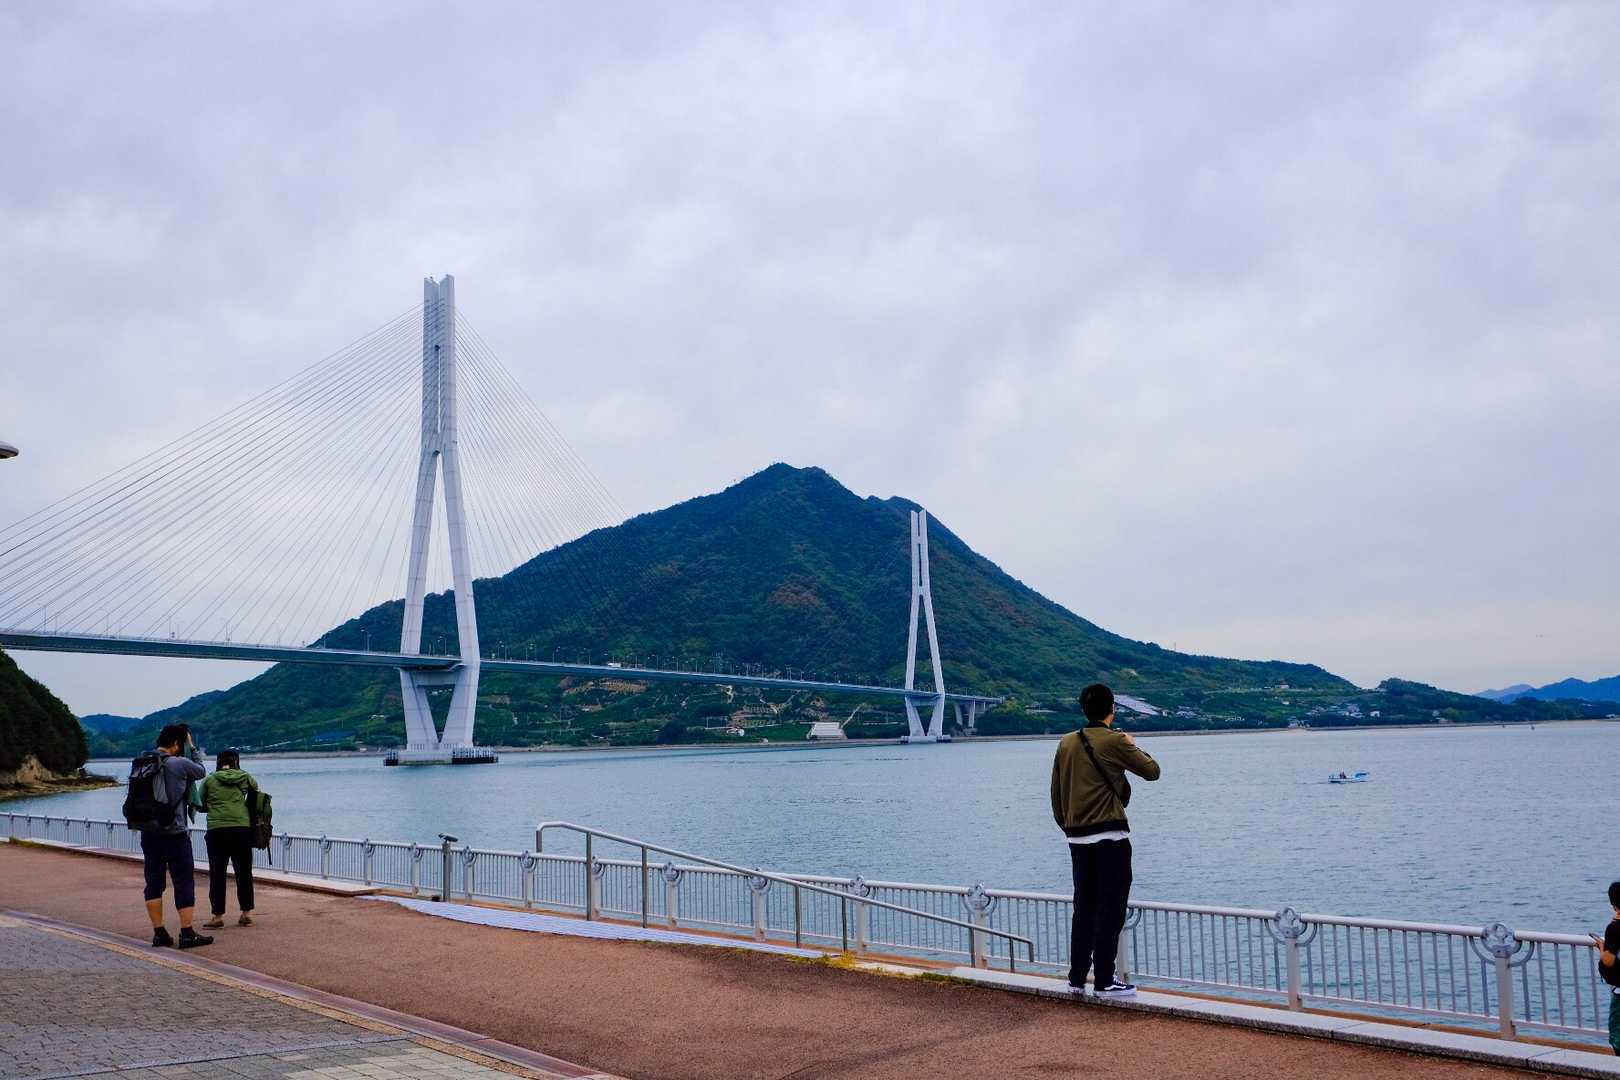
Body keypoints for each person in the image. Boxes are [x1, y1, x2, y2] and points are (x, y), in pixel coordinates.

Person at [1051, 683, 1160, 997]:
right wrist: (1131, 744)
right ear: (1112, 708)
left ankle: (1076, 978)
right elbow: (1152, 771)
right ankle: (1104, 980)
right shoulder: (1115, 740)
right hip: (1110, 837)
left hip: (1077, 839)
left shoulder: (1066, 743)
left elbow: (1056, 793)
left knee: (1084, 909)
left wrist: (1069, 826)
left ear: (1083, 709)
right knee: (1110, 909)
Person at [138, 724, 212, 948]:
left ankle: (159, 933)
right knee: (183, 882)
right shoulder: (178, 763)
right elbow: (201, 771)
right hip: (175, 833)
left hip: (149, 832)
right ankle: (187, 933)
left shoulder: (143, 761)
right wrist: (192, 747)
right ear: (177, 744)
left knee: (153, 882)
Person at [196, 748, 259, 929]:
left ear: (218, 762)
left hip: (217, 830)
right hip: (241, 829)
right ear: (236, 761)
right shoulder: (246, 777)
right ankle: (246, 913)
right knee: (244, 872)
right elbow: (256, 798)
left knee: (217, 873)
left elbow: (199, 803)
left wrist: (212, 807)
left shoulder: (209, 780)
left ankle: (217, 917)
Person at [1595, 880, 1620, 1056]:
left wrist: (1602, 948)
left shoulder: (1614, 928)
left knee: (1617, 1033)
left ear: (1613, 904)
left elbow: (1609, 961)